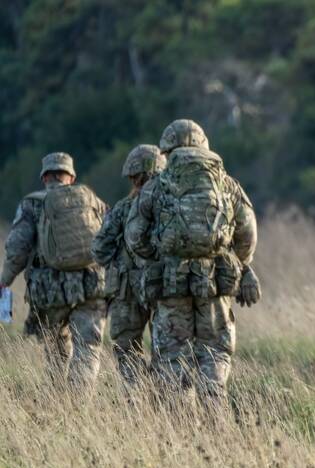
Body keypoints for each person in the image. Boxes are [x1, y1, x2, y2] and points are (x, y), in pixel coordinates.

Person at [125, 119, 259, 407]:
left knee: (173, 362)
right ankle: (216, 426)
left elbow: (134, 235)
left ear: (166, 151)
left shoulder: (157, 185)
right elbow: (248, 232)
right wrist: (234, 261)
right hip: (216, 288)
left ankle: (180, 434)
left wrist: (159, 257)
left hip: (171, 286)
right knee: (214, 357)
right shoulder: (226, 183)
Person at [0, 152, 108, 388]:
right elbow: (109, 240)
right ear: (71, 177)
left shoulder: (32, 203)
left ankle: (58, 401)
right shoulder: (91, 199)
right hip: (92, 285)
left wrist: (5, 280)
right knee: (88, 348)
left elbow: (18, 248)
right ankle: (79, 405)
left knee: (56, 349)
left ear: (45, 177)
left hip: (50, 290)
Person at [92, 144, 166, 387]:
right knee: (166, 351)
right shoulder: (170, 204)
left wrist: (119, 259)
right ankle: (163, 399)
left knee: (127, 349)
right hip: (165, 288)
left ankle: (137, 401)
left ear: (136, 177)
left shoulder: (125, 207)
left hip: (128, 290)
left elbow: (100, 249)